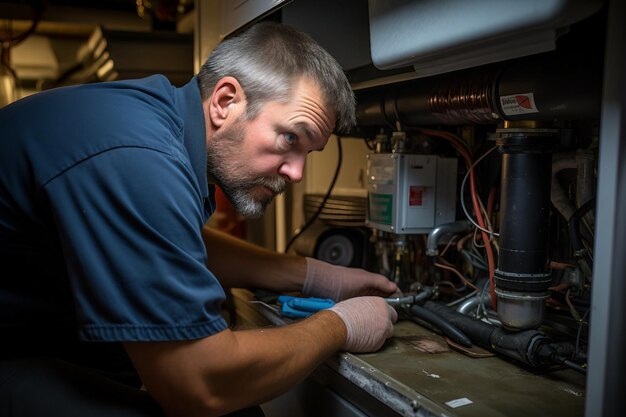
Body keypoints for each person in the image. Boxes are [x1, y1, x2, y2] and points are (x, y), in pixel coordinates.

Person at [0, 22, 398, 417]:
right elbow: (200, 383)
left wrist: (315, 276)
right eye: (291, 138)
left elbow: (164, 242)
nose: (295, 172)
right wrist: (340, 325)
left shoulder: (157, 121)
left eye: (308, 153)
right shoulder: (139, 156)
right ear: (225, 102)